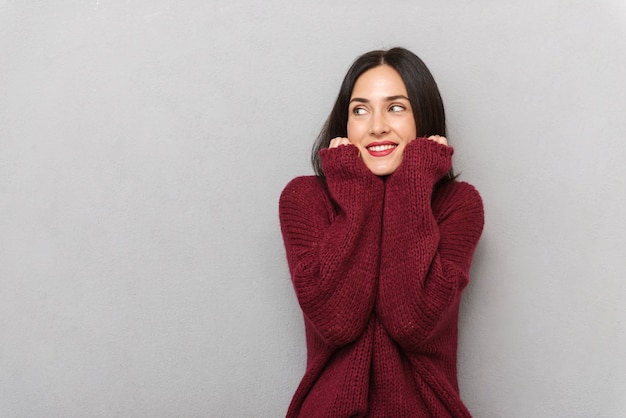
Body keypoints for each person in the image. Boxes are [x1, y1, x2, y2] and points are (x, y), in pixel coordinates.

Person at [279, 47, 484, 417]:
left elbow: (410, 322)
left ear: (423, 116)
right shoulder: (304, 198)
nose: (376, 126)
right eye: (360, 109)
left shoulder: (459, 205)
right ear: (345, 124)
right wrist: (358, 191)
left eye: (396, 107)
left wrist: (414, 181)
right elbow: (337, 322)